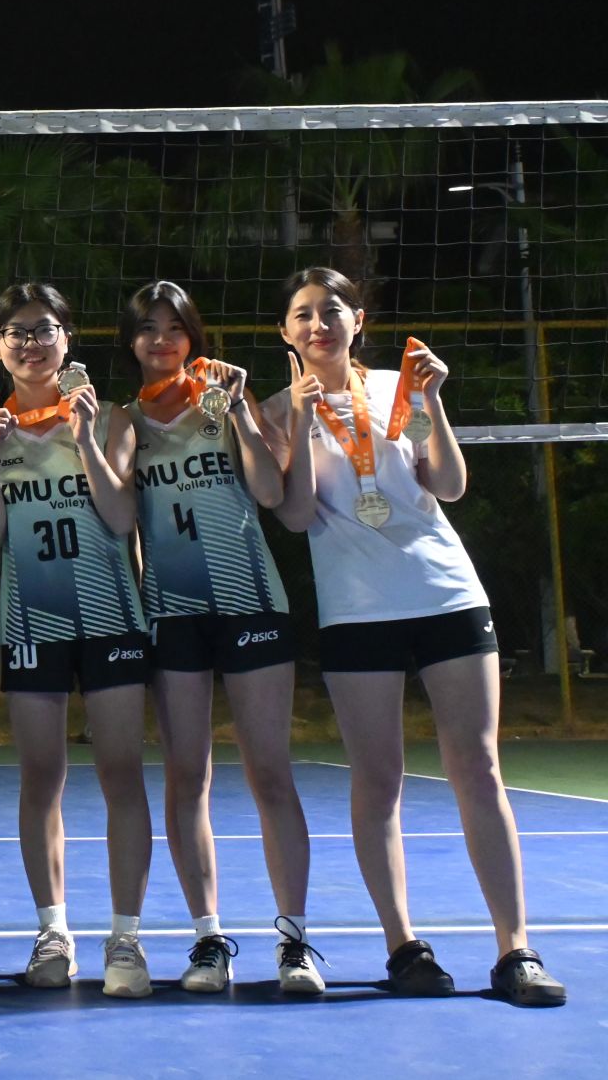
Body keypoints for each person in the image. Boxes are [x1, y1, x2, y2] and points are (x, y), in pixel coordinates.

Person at [262, 267, 564, 1006]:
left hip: (446, 593)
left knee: (478, 767)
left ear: (357, 320)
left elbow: (448, 483)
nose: (318, 324)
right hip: (357, 611)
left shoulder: (402, 386)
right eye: (303, 314)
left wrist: (432, 399)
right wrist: (299, 420)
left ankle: (516, 950)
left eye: (332, 310)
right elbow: (296, 516)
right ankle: (404, 947)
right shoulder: (274, 410)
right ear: (286, 332)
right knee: (378, 779)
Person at [121, 280, 321, 994]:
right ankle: (209, 939)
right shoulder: (125, 421)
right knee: (187, 775)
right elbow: (121, 520)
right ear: (131, 341)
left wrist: (239, 410)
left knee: (270, 771)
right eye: (148, 328)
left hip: (250, 602)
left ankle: (294, 943)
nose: (161, 339)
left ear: (193, 337)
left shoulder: (224, 399)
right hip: (173, 611)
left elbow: (269, 491)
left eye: (174, 327)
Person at [0, 283, 155, 998]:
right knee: (40, 777)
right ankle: (53, 931)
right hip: (32, 621)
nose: (31, 343)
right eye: (16, 333)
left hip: (110, 617)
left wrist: (83, 440)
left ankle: (126, 939)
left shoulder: (110, 418)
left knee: (120, 774)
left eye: (44, 329)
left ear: (66, 339)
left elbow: (121, 517)